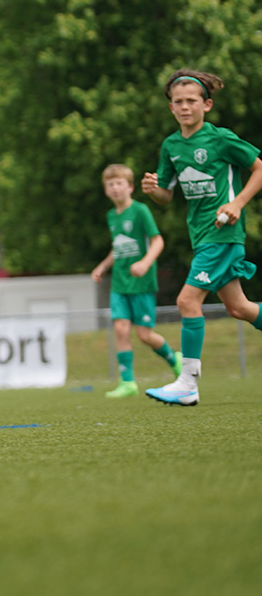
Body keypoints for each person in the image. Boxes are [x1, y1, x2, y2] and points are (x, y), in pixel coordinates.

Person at [141, 68, 262, 406]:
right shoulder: (171, 146)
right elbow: (166, 195)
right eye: (178, 102)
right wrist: (152, 190)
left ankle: (187, 383)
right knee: (239, 308)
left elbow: (259, 168)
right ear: (171, 107)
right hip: (201, 236)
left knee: (187, 301)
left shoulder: (221, 139)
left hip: (223, 233)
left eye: (191, 101)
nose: (184, 107)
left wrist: (237, 203)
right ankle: (186, 384)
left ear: (206, 104)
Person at [90, 163, 181, 398]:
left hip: (141, 283)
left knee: (144, 335)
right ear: (106, 190)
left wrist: (145, 263)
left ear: (130, 187)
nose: (115, 187)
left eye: (119, 183)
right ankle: (128, 382)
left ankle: (174, 359)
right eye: (110, 184)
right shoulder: (111, 216)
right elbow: (118, 247)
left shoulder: (140, 211)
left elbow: (158, 241)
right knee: (120, 329)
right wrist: (102, 266)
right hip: (120, 283)